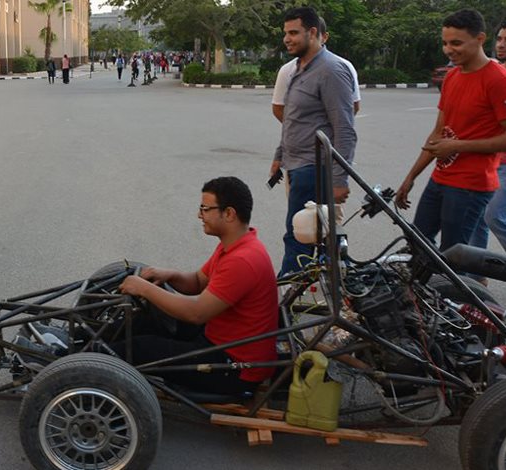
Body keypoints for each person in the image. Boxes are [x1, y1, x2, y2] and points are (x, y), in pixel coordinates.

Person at [118, 177, 278, 394]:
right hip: (220, 340)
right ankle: (85, 348)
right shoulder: (236, 245)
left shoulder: (242, 260)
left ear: (229, 214)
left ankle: (82, 365)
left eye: (205, 208)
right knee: (144, 323)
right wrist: (170, 275)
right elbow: (197, 282)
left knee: (139, 348)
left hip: (234, 368)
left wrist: (144, 288)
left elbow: (196, 313)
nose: (199, 215)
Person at [395, 9, 506, 253]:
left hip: (472, 185)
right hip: (441, 178)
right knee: (417, 245)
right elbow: (438, 133)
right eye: (445, 43)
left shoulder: (498, 80)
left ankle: (460, 291)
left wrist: (458, 146)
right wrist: (411, 177)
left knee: (454, 257)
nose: (449, 49)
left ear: (480, 39)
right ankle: (418, 292)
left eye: (456, 43)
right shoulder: (452, 76)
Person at [271, 7, 357, 276]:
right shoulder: (297, 68)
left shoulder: (331, 70)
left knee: (299, 236)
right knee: (317, 234)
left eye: (294, 33)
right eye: (285, 33)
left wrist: (340, 179)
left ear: (314, 33)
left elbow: (344, 128)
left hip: (314, 167)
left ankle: (287, 300)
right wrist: (279, 155)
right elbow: (294, 120)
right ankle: (331, 289)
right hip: (298, 165)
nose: (287, 39)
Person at [468, 18, 506, 294]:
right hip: (502, 158)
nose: (502, 44)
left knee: (491, 215)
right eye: (500, 39)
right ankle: (478, 274)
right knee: (486, 214)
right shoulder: (494, 73)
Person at [271, 18, 361, 123]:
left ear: (324, 37)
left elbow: (354, 105)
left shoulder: (344, 67)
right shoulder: (287, 70)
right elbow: (278, 108)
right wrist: (300, 128)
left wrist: (329, 129)